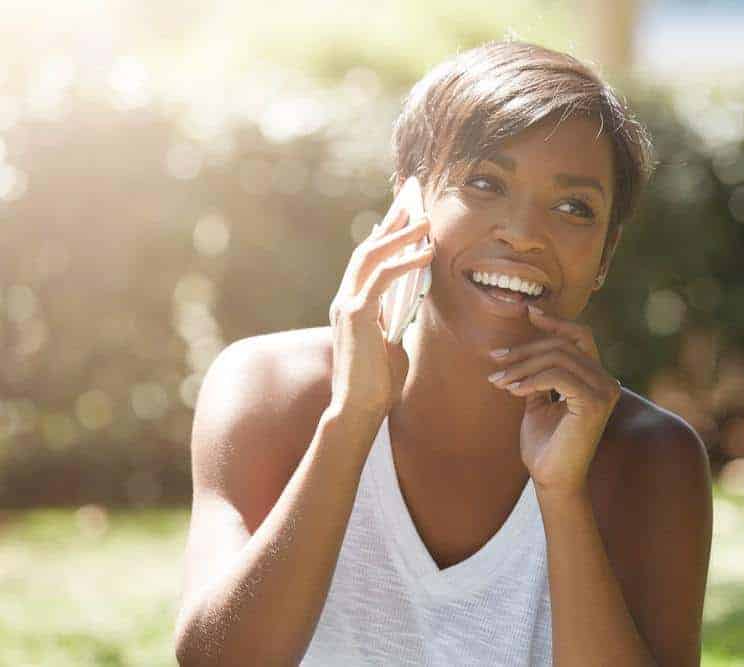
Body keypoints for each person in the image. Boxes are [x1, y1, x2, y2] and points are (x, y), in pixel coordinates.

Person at [173, 40, 712, 666]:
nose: (524, 233)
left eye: (573, 207)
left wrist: (562, 496)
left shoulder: (651, 458)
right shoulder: (267, 389)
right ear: (408, 206)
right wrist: (350, 419)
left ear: (604, 258)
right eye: (484, 182)